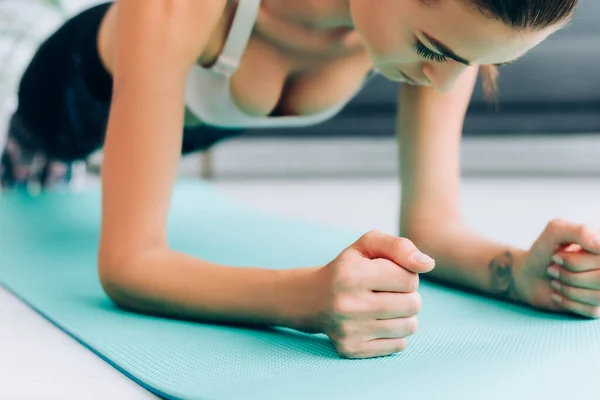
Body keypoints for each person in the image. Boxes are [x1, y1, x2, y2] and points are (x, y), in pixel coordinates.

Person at [1, 0, 594, 360]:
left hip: (139, 119)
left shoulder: (455, 33)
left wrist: (518, 273)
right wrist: (306, 299)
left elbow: (431, 226)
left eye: (474, 63)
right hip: (27, 103)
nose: (443, 83)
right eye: (429, 50)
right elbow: (130, 263)